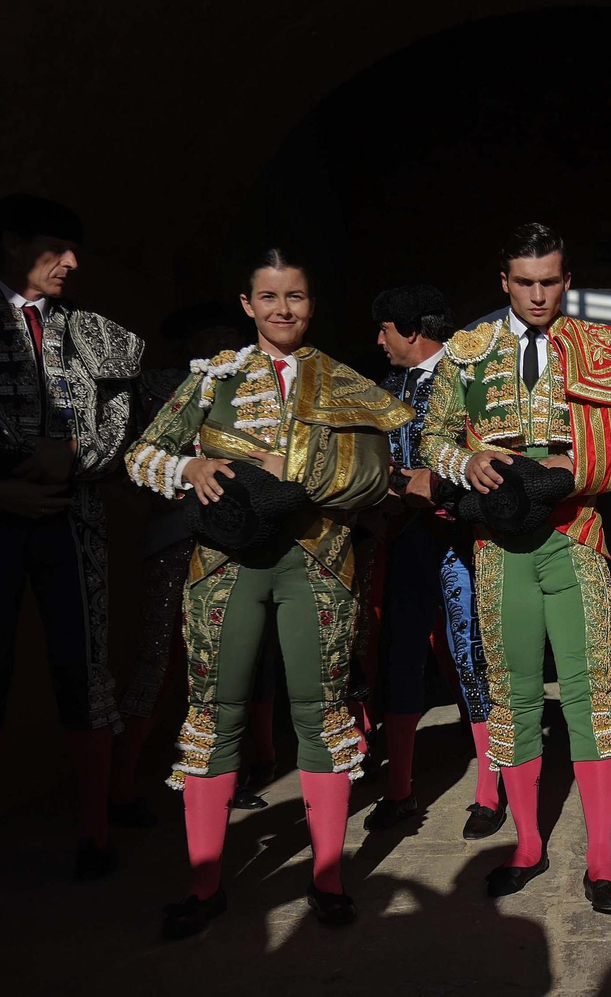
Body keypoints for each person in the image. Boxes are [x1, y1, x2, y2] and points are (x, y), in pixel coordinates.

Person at [125, 248, 410, 938]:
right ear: (247, 305)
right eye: (270, 297)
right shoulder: (211, 380)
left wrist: (304, 467)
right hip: (227, 562)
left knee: (321, 713)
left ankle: (329, 879)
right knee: (213, 713)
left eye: (298, 297)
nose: (285, 310)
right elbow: (140, 455)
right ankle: (204, 885)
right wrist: (188, 463)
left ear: (311, 305)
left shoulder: (343, 381)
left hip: (317, 558)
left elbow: (383, 475)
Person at [423, 223, 611, 915]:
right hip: (499, 546)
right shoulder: (467, 355)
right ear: (504, 282)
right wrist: (463, 462)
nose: (537, 294)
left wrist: (572, 468)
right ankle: (528, 846)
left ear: (566, 280)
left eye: (550, 281)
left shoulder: (600, 348)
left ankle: (601, 862)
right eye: (524, 282)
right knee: (515, 695)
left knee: (588, 699)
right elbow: (435, 435)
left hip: (575, 533)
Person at [0, 195, 145, 892]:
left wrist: (75, 456)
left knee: (84, 671)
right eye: (57, 248)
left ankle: (93, 832)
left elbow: (122, 413)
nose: (74, 264)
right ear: (10, 245)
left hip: (69, 514)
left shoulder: (92, 332)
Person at [111, 302, 252, 829]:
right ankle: (122, 786)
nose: (218, 340)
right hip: (176, 537)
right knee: (155, 659)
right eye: (207, 331)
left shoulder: (248, 385)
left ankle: (218, 782)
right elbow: (131, 463)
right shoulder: (158, 387)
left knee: (223, 668)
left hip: (227, 541)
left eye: (225, 333)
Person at [364, 283, 498, 837]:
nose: (378, 341)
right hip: (404, 540)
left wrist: (439, 486)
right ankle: (399, 790)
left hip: (465, 538)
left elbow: (497, 454)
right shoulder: (385, 387)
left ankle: (490, 792)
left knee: (473, 654)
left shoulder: (475, 376)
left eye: (385, 330)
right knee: (399, 655)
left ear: (412, 331)